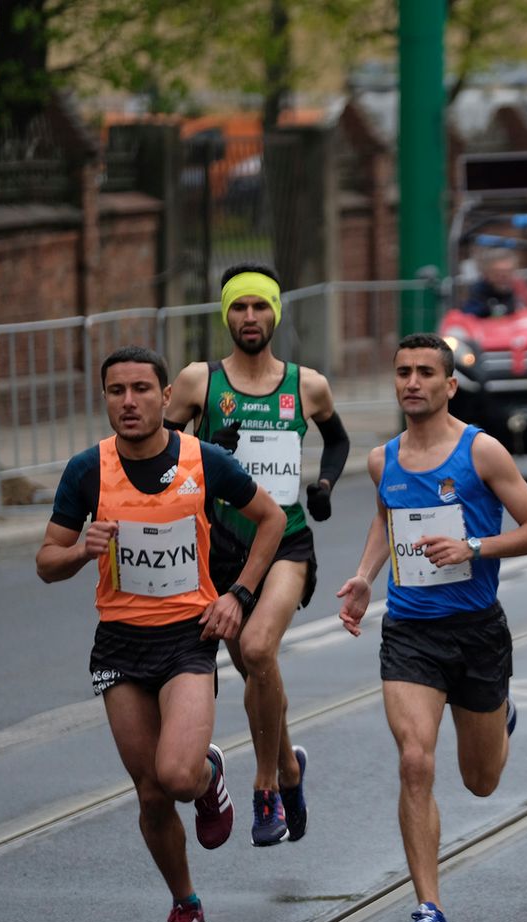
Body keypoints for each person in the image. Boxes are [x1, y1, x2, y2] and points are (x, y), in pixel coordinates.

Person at [36, 346, 286, 922]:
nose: (129, 402)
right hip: (120, 643)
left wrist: (238, 594)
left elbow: (272, 519)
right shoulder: (86, 471)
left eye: (141, 389)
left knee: (176, 774)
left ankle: (208, 776)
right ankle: (186, 906)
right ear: (104, 399)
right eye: (116, 391)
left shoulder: (205, 460)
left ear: (166, 395)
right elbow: (47, 561)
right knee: (149, 792)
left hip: (187, 638)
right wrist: (80, 551)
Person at [337, 333, 527, 922]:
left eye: (425, 372)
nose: (412, 382)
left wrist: (475, 547)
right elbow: (387, 517)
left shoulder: (480, 452)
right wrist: (363, 578)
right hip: (409, 631)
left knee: (481, 781)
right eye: (402, 371)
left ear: (449, 385)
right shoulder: (384, 459)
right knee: (414, 760)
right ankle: (429, 909)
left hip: (477, 630)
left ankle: (498, 717)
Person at [164, 264, 350, 846]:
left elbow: (337, 438)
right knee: (256, 670)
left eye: (261, 307)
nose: (251, 318)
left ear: (276, 313)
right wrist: (199, 450)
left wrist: (323, 486)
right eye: (240, 308)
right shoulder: (199, 383)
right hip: (220, 546)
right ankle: (291, 765)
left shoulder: (307, 384)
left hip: (288, 541)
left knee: (256, 647)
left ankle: (266, 786)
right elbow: (155, 455)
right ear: (227, 315)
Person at [461, 251, 527, 318]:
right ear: (486, 273)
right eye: (497, 273)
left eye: (508, 272)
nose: (503, 278)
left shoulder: (516, 291)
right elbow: (468, 317)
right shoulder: (477, 295)